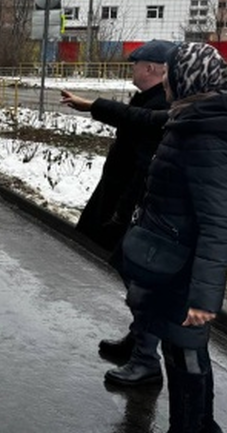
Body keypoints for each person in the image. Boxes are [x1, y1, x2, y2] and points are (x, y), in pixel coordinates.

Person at [123, 42, 227, 433]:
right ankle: (202, 426)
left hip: (182, 268)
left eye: (170, 74)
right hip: (175, 259)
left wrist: (203, 297)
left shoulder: (204, 137)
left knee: (183, 352)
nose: (164, 81)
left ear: (189, 79)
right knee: (189, 351)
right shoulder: (195, 118)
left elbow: (219, 223)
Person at [60, 39, 174, 387]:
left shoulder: (165, 104)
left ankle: (146, 356)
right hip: (124, 195)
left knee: (138, 276)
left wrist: (92, 104)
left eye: (136, 65)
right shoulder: (151, 99)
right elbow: (132, 120)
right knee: (128, 270)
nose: (132, 70)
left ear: (153, 68)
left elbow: (138, 123)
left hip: (137, 202)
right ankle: (140, 340)